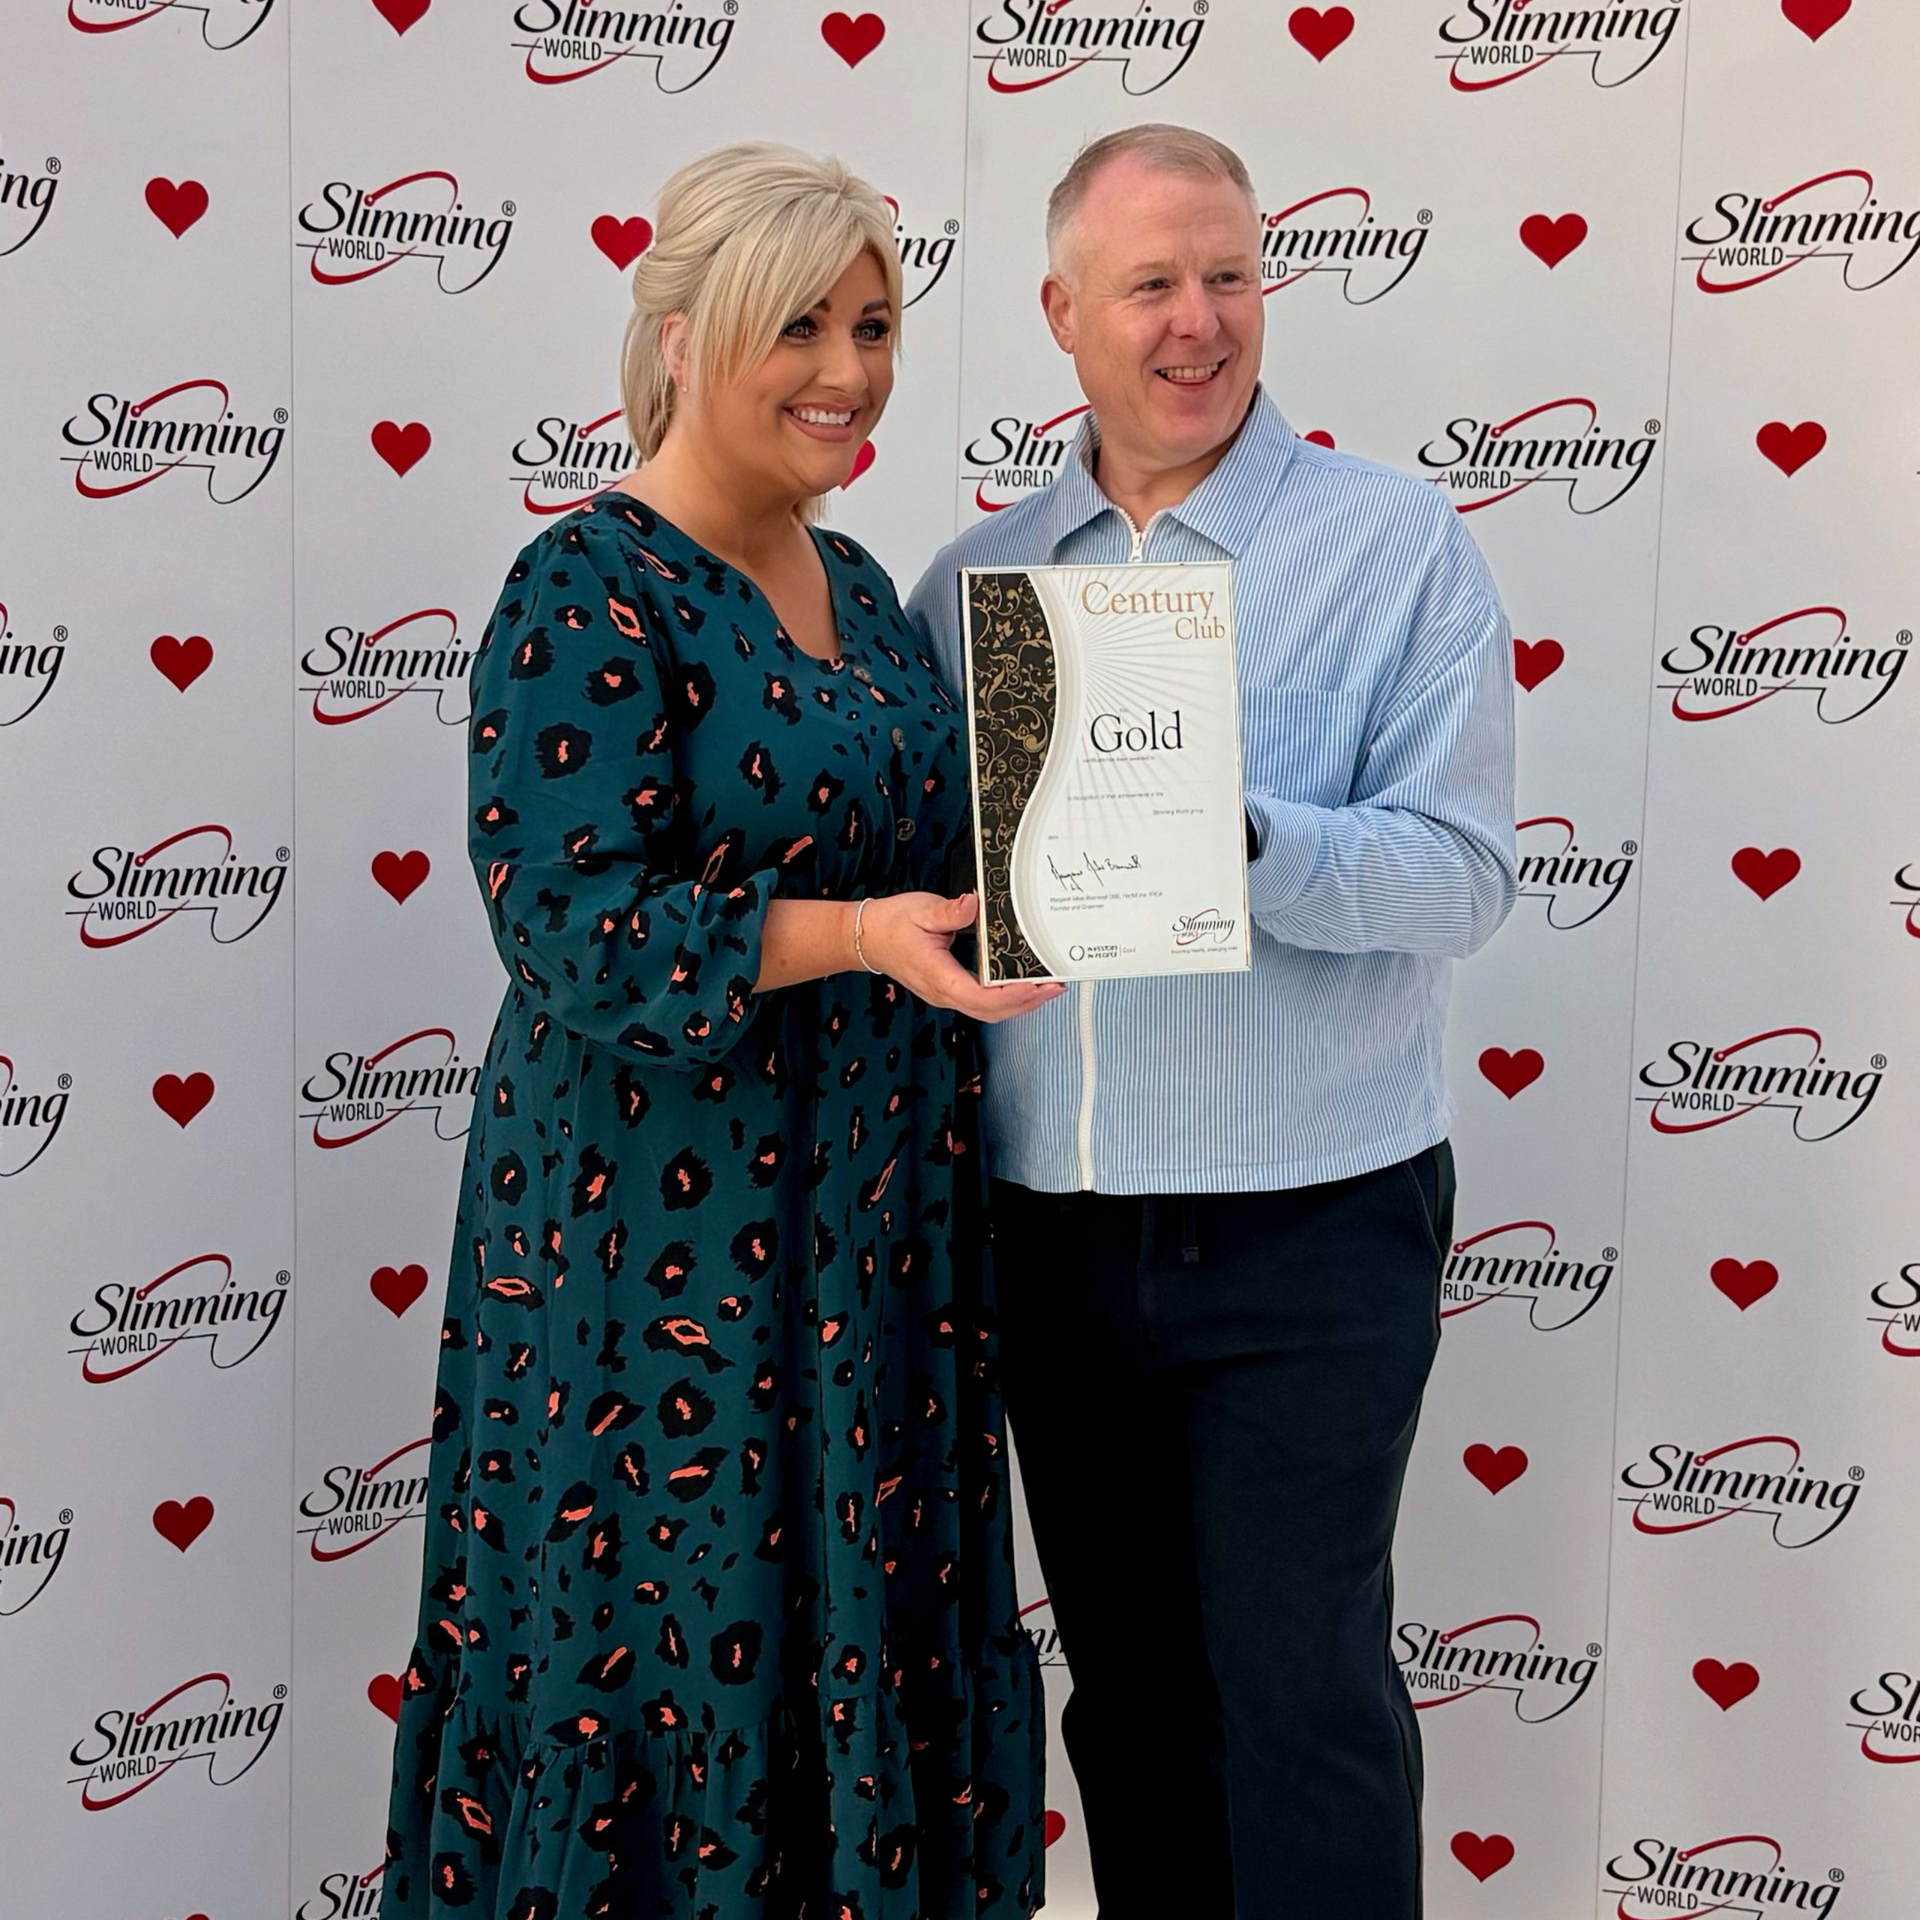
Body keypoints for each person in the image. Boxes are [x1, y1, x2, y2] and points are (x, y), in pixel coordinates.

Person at [382, 142, 1056, 1920]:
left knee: (866, 1630)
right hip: (661, 1260)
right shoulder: (586, 582)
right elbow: (568, 920)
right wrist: (853, 936)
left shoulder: (872, 586)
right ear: (682, 336)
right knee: (671, 1645)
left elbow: (954, 860)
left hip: (880, 1255)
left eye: (875, 326)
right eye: (799, 326)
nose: (850, 370)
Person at [907, 126, 1518, 1919]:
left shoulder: (1396, 545)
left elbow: (1465, 876)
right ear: (1062, 313)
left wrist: (1237, 837)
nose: (1199, 320)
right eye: (1152, 284)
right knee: (1132, 1706)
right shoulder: (971, 588)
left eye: (1230, 275)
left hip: (1314, 1223)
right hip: (1055, 1229)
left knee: (1302, 1700)